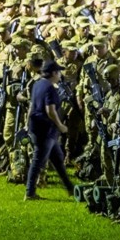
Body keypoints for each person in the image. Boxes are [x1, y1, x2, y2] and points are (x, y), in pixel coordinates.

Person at [24, 61, 74, 201]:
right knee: (38, 161)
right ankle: (30, 193)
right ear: (53, 73)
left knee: (58, 160)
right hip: (45, 130)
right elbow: (50, 111)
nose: (60, 75)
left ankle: (70, 188)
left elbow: (32, 106)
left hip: (39, 128)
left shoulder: (37, 84)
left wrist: (27, 124)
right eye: (58, 72)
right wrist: (60, 126)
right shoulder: (50, 89)